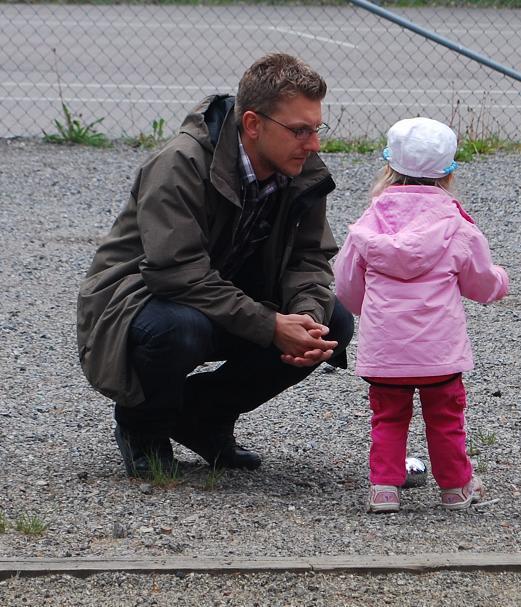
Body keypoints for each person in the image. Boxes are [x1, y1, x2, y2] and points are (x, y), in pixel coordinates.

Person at [76, 53, 353, 478]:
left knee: (332, 323)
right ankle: (141, 426)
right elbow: (176, 272)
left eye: (316, 129)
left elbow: (309, 258)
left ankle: (201, 417)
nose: (313, 144)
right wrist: (270, 326)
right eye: (300, 130)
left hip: (222, 297)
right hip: (139, 301)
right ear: (253, 125)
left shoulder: (301, 168)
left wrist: (304, 319)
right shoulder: (181, 163)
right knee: (180, 329)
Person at [333, 117, 509, 512]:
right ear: (447, 176)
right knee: (446, 419)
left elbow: (345, 286)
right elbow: (480, 283)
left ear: (389, 169)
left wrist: (375, 313)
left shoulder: (367, 226)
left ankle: (384, 489)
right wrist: (501, 281)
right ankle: (456, 488)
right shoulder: (457, 227)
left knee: (388, 419)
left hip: (385, 351)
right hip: (438, 354)